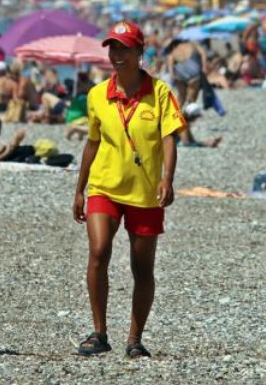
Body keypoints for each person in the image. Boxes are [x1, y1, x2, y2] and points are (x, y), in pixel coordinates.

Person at [72, 21, 185, 359]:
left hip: (146, 192)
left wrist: (168, 178)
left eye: (124, 48)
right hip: (104, 186)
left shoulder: (160, 93)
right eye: (113, 48)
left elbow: (169, 139)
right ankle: (99, 331)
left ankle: (134, 339)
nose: (117, 55)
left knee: (142, 267)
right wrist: (79, 190)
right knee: (99, 250)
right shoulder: (97, 95)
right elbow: (92, 144)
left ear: (139, 53)